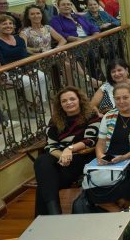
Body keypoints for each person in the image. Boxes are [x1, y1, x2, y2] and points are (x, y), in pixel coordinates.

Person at [84, 83, 130, 209]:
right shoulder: (109, 115)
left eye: (125, 97)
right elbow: (100, 142)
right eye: (117, 98)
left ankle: (118, 207)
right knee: (93, 181)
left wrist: (124, 157)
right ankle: (117, 210)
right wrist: (100, 156)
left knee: (122, 181)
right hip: (111, 159)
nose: (121, 101)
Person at [34, 87, 100, 216]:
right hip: (61, 159)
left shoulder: (91, 115)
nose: (68, 103)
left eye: (72, 99)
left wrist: (70, 149)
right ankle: (54, 214)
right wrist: (63, 156)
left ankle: (50, 217)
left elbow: (90, 140)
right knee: (42, 161)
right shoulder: (55, 121)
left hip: (82, 156)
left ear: (79, 100)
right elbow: (50, 146)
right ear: (60, 104)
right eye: (64, 101)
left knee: (44, 183)